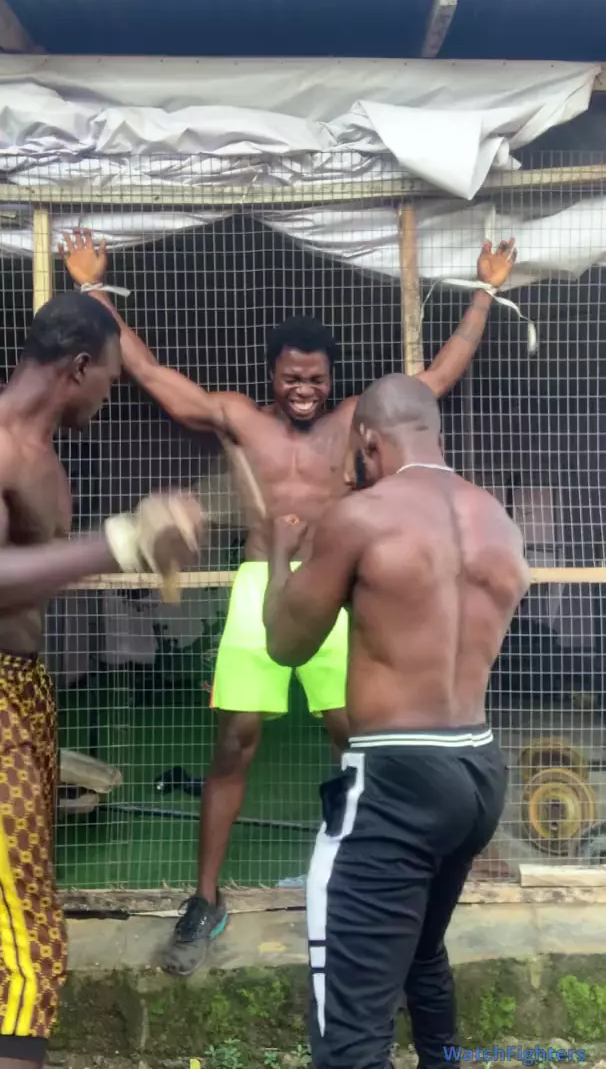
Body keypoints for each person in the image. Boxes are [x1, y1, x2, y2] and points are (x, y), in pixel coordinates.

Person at [59, 228, 517, 977]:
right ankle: (205, 898)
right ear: (272, 375)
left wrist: (485, 293)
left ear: (332, 380)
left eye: (314, 378)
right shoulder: (241, 417)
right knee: (235, 741)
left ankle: (371, 882)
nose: (303, 388)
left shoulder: (356, 421)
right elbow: (150, 374)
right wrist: (93, 291)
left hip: (336, 587)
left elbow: (434, 380)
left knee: (355, 738)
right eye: (291, 377)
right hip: (256, 586)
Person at [262, 373, 530, 1069]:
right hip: (478, 769)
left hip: (396, 779)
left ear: (368, 442)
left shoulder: (363, 517)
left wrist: (279, 558)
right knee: (421, 953)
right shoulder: (498, 520)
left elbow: (286, 644)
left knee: (350, 1031)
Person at [0, 291, 205, 1069]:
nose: (109, 398)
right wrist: (119, 540)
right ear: (78, 367)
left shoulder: (44, 458)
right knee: (28, 949)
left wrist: (150, 548)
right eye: (111, 382)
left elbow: (35, 573)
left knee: (16, 920)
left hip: (24, 690)